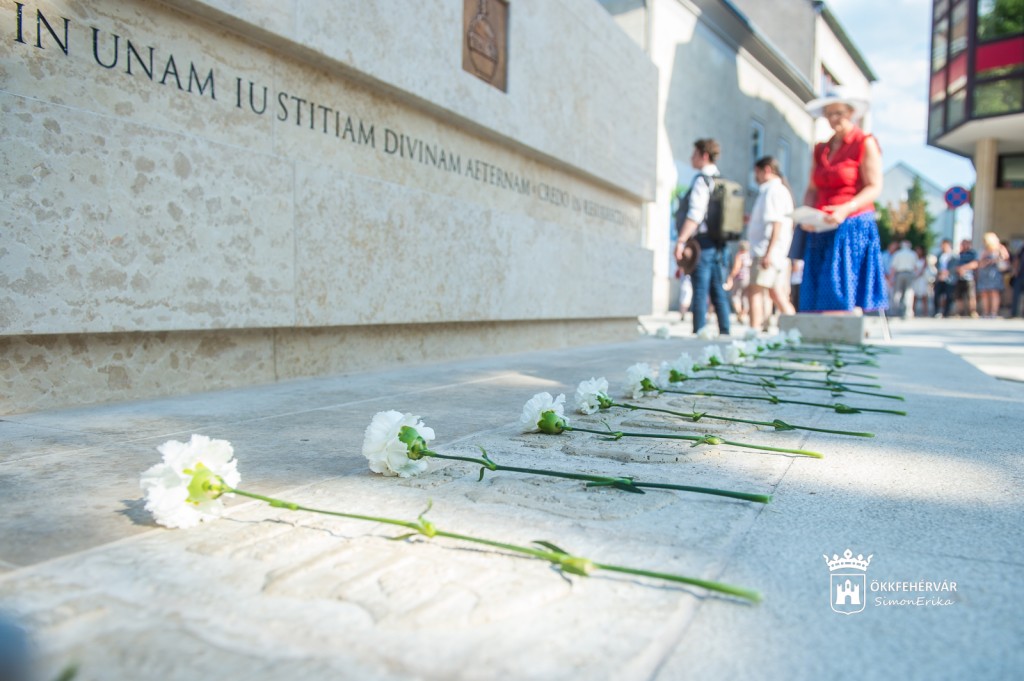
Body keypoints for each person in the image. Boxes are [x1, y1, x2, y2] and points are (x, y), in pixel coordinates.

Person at [798, 89, 887, 314]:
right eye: (828, 114)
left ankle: (845, 324)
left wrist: (845, 209)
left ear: (850, 113)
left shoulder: (864, 142)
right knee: (816, 290)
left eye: (838, 113)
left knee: (840, 288)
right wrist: (806, 214)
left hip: (852, 223)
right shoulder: (821, 149)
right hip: (821, 225)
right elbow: (812, 189)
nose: (833, 118)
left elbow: (874, 186)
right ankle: (823, 327)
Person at [674, 138, 731, 336]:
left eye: (694, 154)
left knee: (700, 289)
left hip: (703, 242)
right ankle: (725, 332)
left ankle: (699, 333)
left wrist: (681, 240)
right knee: (717, 290)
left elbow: (695, 214)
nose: (691, 158)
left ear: (704, 156)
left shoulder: (702, 180)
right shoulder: (720, 180)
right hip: (718, 243)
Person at [746, 156, 796, 332]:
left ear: (766, 170)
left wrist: (768, 252)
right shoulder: (779, 190)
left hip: (766, 251)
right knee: (776, 293)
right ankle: (797, 328)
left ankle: (753, 332)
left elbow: (776, 223)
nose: (755, 177)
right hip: (774, 251)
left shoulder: (773, 191)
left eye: (757, 172)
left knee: (754, 290)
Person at [971, 232, 1010, 318]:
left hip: (994, 273)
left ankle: (993, 312)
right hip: (984, 272)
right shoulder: (984, 249)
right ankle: (986, 312)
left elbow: (1006, 257)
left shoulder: (999, 248)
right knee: (984, 292)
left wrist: (994, 260)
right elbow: (979, 260)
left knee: (994, 292)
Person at [723, 240, 752, 326]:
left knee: (735, 296)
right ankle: (743, 313)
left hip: (739, 278)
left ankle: (740, 313)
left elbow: (736, 268)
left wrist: (730, 277)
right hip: (748, 279)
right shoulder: (749, 255)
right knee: (745, 297)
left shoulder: (739, 255)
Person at [889, 239, 918, 318]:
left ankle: (894, 310)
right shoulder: (913, 254)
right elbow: (915, 267)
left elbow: (893, 267)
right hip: (909, 273)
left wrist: (891, 278)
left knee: (897, 292)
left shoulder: (898, 253)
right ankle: (908, 311)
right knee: (908, 292)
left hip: (900, 274)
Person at [955, 238, 979, 317]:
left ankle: (972, 311)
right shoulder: (959, 254)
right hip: (959, 278)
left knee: (971, 295)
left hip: (969, 277)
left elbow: (975, 264)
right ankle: (960, 312)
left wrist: (964, 268)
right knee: (959, 296)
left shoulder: (973, 253)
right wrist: (958, 269)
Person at [933, 239, 957, 318]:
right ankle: (937, 311)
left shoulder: (954, 256)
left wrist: (947, 272)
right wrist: (940, 273)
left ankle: (947, 312)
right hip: (940, 278)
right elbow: (937, 265)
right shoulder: (939, 255)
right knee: (937, 295)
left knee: (949, 295)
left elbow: (954, 267)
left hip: (950, 278)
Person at [912, 249, 937, 318]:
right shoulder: (914, 259)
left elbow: (925, 269)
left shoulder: (924, 260)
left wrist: (919, 273)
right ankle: (913, 311)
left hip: (922, 280)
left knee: (924, 296)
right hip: (916, 280)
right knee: (915, 296)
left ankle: (925, 312)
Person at [1011, 242, 1024, 318]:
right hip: (1020, 274)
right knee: (1016, 295)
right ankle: (1015, 313)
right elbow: (1017, 258)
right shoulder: (1022, 248)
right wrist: (1015, 270)